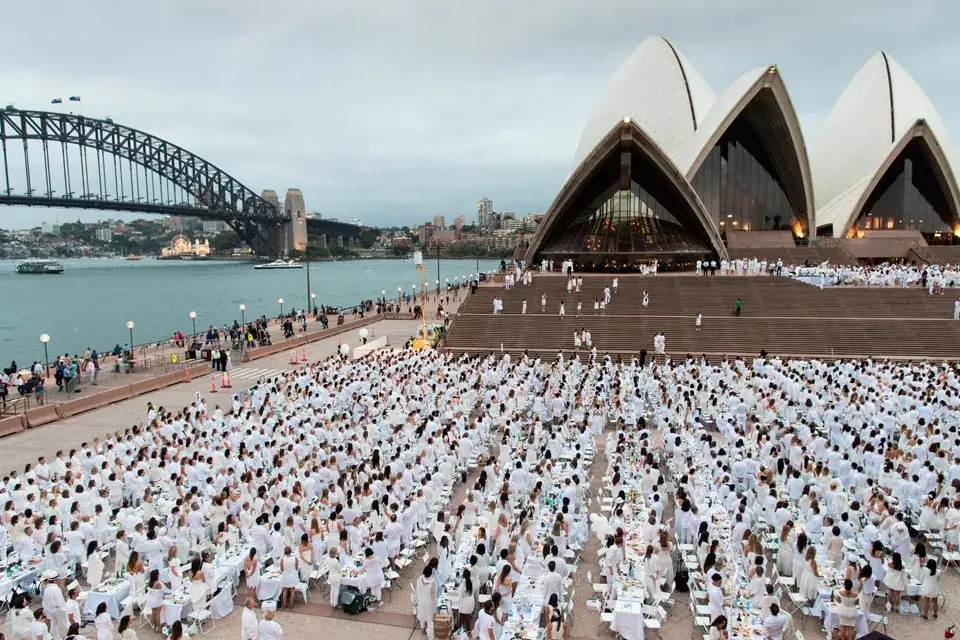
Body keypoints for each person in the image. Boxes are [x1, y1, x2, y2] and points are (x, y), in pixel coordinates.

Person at [416, 566, 438, 640]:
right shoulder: (433, 582)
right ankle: (429, 630)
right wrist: (434, 602)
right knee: (429, 616)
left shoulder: (420, 578)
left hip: (421, 600)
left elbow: (417, 588)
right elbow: (434, 594)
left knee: (422, 613)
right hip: (428, 602)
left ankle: (423, 628)